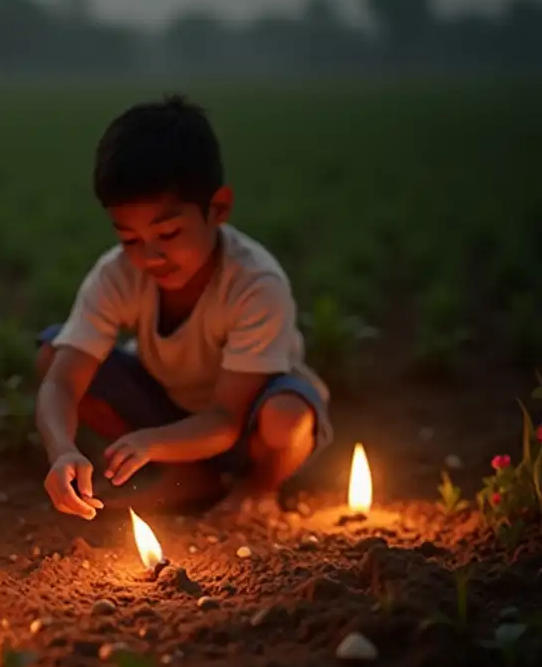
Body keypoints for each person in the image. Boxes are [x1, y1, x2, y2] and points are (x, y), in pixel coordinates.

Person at [34, 93, 332, 521]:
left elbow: (227, 419)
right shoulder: (117, 275)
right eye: (130, 239)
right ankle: (188, 477)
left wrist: (151, 441)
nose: (151, 257)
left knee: (286, 416)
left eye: (169, 233)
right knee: (52, 355)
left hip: (247, 423)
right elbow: (62, 383)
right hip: (169, 410)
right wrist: (62, 451)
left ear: (218, 209)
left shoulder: (255, 284)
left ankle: (259, 487)